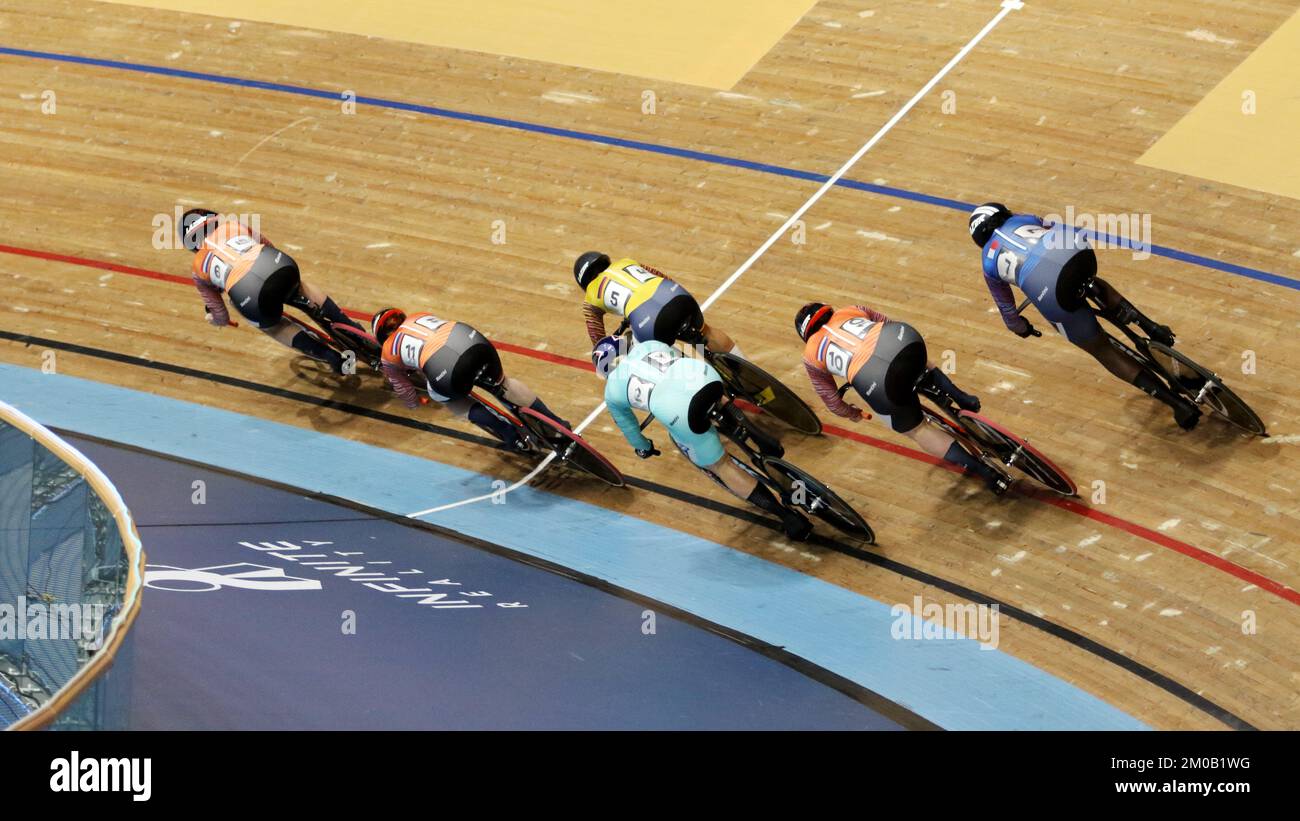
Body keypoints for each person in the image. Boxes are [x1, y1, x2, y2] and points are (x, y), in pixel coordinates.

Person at [967, 202, 1200, 430]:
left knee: (1102, 350)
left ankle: (1178, 405)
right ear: (1004, 214)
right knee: (1091, 281)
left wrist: (1022, 327)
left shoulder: (988, 265)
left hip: (1049, 290)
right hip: (1078, 253)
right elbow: (1061, 229)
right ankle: (1150, 326)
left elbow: (1008, 312)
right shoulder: (1022, 219)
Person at [593, 335, 812, 540]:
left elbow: (629, 427)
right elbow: (682, 356)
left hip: (679, 412)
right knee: (704, 386)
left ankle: (786, 516)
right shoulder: (646, 345)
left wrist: (644, 447)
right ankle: (757, 435)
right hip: (707, 380)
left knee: (720, 465)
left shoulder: (612, 390)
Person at [795, 302, 1010, 495]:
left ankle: (985, 472)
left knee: (916, 429)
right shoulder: (851, 309)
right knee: (918, 360)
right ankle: (960, 396)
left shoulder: (810, 355)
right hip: (904, 340)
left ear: (805, 335)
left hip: (876, 381)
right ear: (827, 310)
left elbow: (830, 399)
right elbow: (889, 323)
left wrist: (852, 413)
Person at [179, 208, 362, 374]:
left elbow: (220, 315)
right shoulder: (233, 225)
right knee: (300, 286)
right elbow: (269, 246)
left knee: (273, 326)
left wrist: (215, 319)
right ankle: (349, 325)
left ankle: (329, 356)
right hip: (277, 264)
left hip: (249, 295)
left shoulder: (198, 268)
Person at [372, 308, 569, 450]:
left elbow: (405, 391)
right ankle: (558, 424)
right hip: (474, 341)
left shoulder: (388, 352)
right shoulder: (420, 315)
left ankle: (509, 434)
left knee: (445, 398)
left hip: (446, 369)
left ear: (381, 337)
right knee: (504, 383)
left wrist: (414, 403)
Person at [573, 251, 745, 357]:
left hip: (650, 321)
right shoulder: (626, 262)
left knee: (652, 356)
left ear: (584, 283)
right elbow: (663, 277)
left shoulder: (590, 298)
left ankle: (712, 394)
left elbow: (599, 342)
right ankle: (751, 378)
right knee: (706, 332)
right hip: (677, 295)